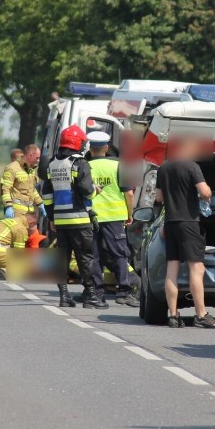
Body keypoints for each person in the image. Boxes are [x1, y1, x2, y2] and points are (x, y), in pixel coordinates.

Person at [155, 138, 215, 328]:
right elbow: (205, 192)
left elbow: (159, 197)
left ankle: (173, 315)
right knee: (197, 268)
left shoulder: (163, 168)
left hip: (170, 223)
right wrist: (206, 192)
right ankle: (201, 315)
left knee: (172, 269)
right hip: (188, 222)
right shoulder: (192, 167)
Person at [41, 124, 106, 309]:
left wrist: (52, 218)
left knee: (62, 258)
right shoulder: (80, 162)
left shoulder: (52, 164)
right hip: (79, 220)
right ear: (78, 143)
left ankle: (64, 296)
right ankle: (91, 296)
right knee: (85, 257)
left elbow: (47, 194)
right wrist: (96, 191)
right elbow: (86, 190)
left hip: (60, 221)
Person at [86, 131, 138, 307]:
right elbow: (129, 193)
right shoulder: (119, 165)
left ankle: (97, 295)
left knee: (94, 256)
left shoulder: (84, 166)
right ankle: (124, 292)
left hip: (90, 217)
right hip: (115, 218)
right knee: (120, 254)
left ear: (90, 149)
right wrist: (130, 214)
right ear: (106, 147)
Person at [0, 143, 46, 221]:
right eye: (37, 158)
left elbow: (32, 190)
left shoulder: (31, 169)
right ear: (30, 155)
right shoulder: (12, 168)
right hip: (16, 213)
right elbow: (5, 188)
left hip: (29, 213)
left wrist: (40, 204)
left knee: (34, 233)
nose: (38, 161)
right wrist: (8, 206)